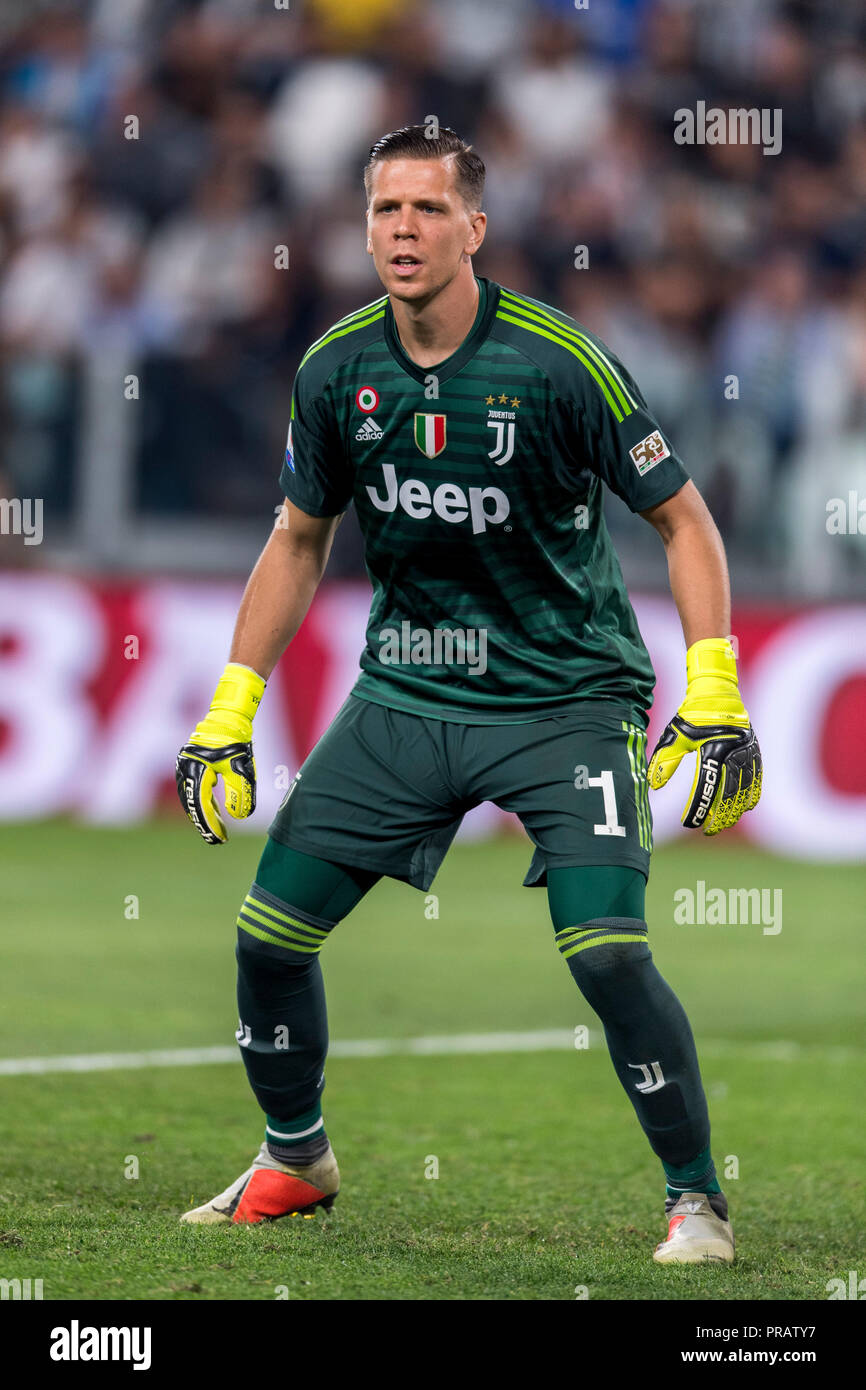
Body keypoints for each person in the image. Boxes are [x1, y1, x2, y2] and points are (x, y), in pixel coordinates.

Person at [175, 126, 761, 1263]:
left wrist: (717, 686)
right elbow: (299, 537)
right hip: (406, 696)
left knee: (606, 953)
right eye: (385, 209)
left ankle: (696, 1200)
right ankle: (295, 1156)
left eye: (427, 211)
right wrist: (229, 708)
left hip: (565, 697)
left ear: (473, 230)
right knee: (264, 941)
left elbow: (682, 520)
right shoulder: (334, 369)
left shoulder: (555, 362)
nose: (402, 229)